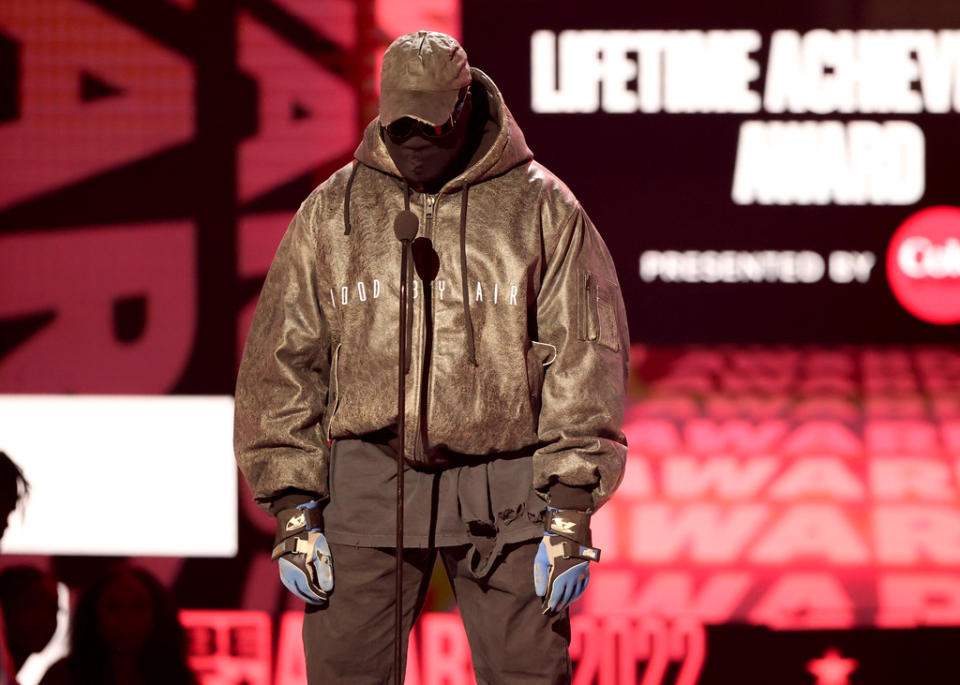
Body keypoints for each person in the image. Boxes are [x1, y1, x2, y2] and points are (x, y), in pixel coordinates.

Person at [234, 30, 629, 684]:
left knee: (530, 674)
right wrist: (295, 510)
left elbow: (585, 360)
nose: (416, 135)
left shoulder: (544, 210)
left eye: (432, 118)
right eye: (401, 121)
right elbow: (281, 361)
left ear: (466, 103)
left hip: (508, 483)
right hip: (368, 479)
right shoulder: (334, 212)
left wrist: (568, 506)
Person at [38, 566, 197, 685]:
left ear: (158, 617)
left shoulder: (178, 678)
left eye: (138, 607)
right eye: (112, 607)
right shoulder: (63, 677)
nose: (126, 618)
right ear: (93, 615)